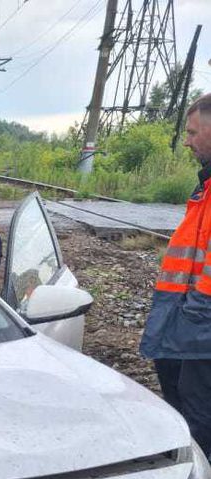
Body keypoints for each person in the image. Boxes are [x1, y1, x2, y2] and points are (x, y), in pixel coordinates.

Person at [139, 92, 211, 454]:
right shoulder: (206, 187)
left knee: (199, 419)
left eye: (193, 132)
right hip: (189, 322)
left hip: (200, 329)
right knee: (186, 407)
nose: (186, 140)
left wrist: (187, 321)